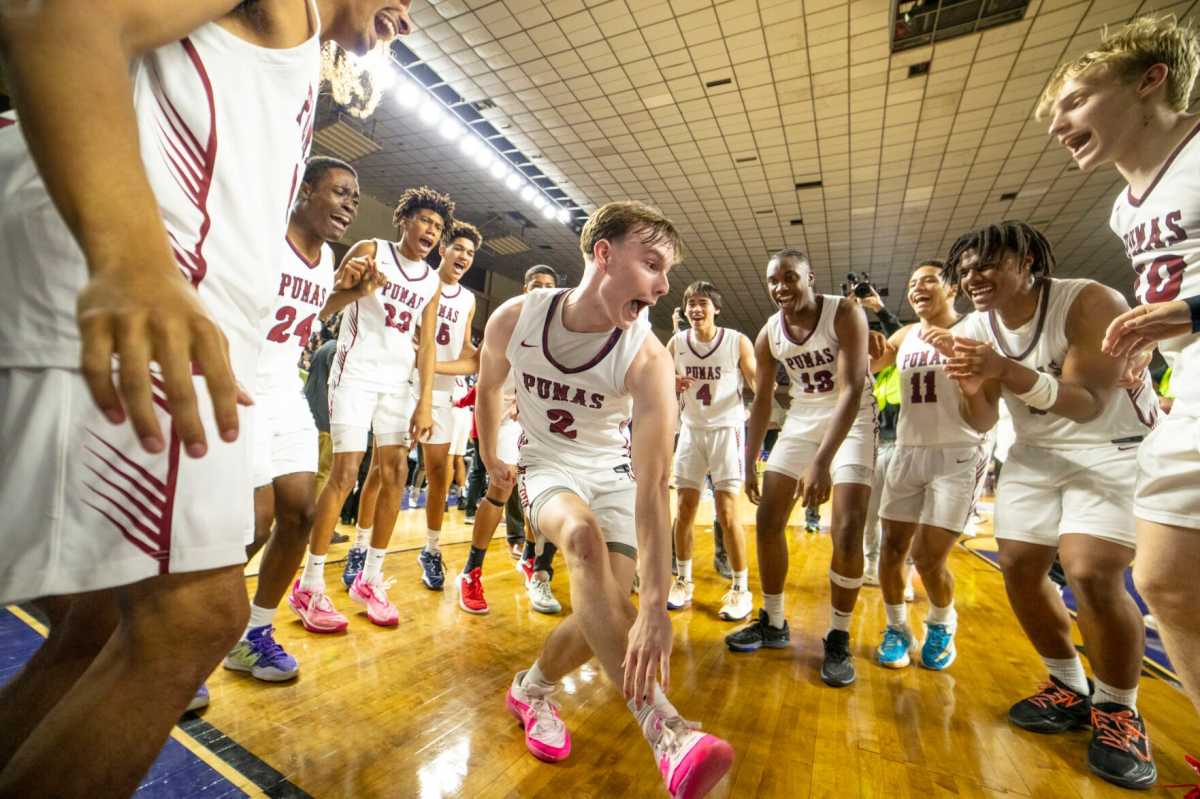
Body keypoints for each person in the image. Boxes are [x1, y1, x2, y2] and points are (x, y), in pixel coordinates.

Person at [0, 1, 410, 793]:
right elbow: (56, 20)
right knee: (192, 617)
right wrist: (134, 260)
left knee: (96, 622)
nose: (405, 13)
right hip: (111, 293)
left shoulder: (296, 52)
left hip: (163, 318)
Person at [476, 202, 733, 796]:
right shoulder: (517, 317)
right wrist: (494, 453)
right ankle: (666, 732)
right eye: (652, 265)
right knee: (582, 540)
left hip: (614, 475)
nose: (665, 286)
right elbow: (489, 384)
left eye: (667, 272)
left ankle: (531, 688)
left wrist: (655, 606)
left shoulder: (648, 359)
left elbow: (652, 485)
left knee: (607, 611)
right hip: (547, 465)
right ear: (603, 254)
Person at [928, 221, 1159, 789]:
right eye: (964, 271)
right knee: (1020, 568)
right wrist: (968, 380)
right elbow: (981, 420)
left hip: (1110, 446)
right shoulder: (976, 325)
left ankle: (1119, 710)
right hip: (1035, 453)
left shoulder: (1087, 301)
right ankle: (1069, 686)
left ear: (1026, 258)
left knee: (1090, 571)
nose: (972, 278)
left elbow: (1084, 404)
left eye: (984, 265)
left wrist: (1001, 368)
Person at [1042, 13, 1200, 736]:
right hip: (1187, 388)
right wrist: (1152, 331)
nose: (1058, 124)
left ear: (1151, 79)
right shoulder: (1120, 208)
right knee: (1164, 580)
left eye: (1074, 99)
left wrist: (1190, 313)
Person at [225, 155, 372, 682]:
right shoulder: (264, 239)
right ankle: (189, 629)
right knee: (252, 522)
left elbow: (304, 316)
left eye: (355, 198)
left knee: (301, 513)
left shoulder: (328, 257)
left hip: (285, 390)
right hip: (240, 382)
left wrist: (349, 295)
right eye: (339, 192)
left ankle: (253, 634)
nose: (350, 204)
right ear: (305, 190)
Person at [291, 186, 450, 631]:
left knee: (396, 473)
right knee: (345, 474)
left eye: (437, 228)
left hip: (398, 384)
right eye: (424, 222)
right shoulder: (370, 249)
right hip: (355, 373)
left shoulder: (432, 281)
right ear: (404, 220)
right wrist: (356, 285)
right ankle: (310, 583)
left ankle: (372, 578)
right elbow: (325, 303)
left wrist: (423, 403)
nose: (431, 232)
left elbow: (428, 345)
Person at [727, 249, 876, 689]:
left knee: (847, 529)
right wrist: (751, 459)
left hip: (852, 416)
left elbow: (851, 389)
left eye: (790, 278)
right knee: (768, 519)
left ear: (810, 277)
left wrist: (822, 461)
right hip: (804, 415)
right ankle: (773, 622)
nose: (780, 288)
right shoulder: (769, 333)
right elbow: (762, 401)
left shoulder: (845, 313)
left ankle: (838, 635)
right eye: (773, 280)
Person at [867, 260, 987, 672]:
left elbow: (991, 392)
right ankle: (897, 628)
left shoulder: (975, 329)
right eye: (913, 282)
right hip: (908, 449)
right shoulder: (905, 334)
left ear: (952, 288)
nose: (918, 288)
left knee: (928, 557)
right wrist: (863, 343)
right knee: (892, 549)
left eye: (928, 281)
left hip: (958, 452)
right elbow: (869, 365)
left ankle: (941, 623)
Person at [453, 265, 562, 615]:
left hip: (539, 421)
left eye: (549, 286)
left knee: (539, 495)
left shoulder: (560, 330)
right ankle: (472, 570)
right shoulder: (507, 322)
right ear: (526, 289)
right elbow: (487, 383)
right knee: (501, 487)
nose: (543, 291)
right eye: (537, 286)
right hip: (504, 416)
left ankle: (532, 560)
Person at [666, 281, 756, 621]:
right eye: (690, 303)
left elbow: (757, 380)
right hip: (691, 430)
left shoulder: (736, 341)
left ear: (716, 308)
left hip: (725, 431)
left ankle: (740, 589)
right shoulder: (677, 342)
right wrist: (668, 382)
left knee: (728, 512)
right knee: (685, 508)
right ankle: (683, 580)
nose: (694, 308)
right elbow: (659, 377)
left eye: (701, 302)